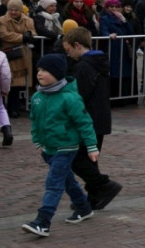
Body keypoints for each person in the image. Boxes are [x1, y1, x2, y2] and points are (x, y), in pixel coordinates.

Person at [21, 54, 100, 237]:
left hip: (66, 147)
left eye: (45, 70)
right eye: (39, 69)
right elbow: (35, 120)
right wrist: (37, 140)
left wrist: (91, 146)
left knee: (54, 182)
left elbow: (84, 122)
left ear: (57, 73)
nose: (40, 73)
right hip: (48, 148)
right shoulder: (38, 96)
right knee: (66, 180)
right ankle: (83, 207)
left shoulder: (70, 98)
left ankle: (43, 221)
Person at [62, 27, 122, 210]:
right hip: (99, 118)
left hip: (89, 120)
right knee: (89, 160)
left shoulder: (84, 67)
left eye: (69, 50)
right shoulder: (97, 62)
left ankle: (104, 186)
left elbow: (79, 95)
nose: (68, 54)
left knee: (78, 160)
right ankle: (95, 195)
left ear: (77, 45)